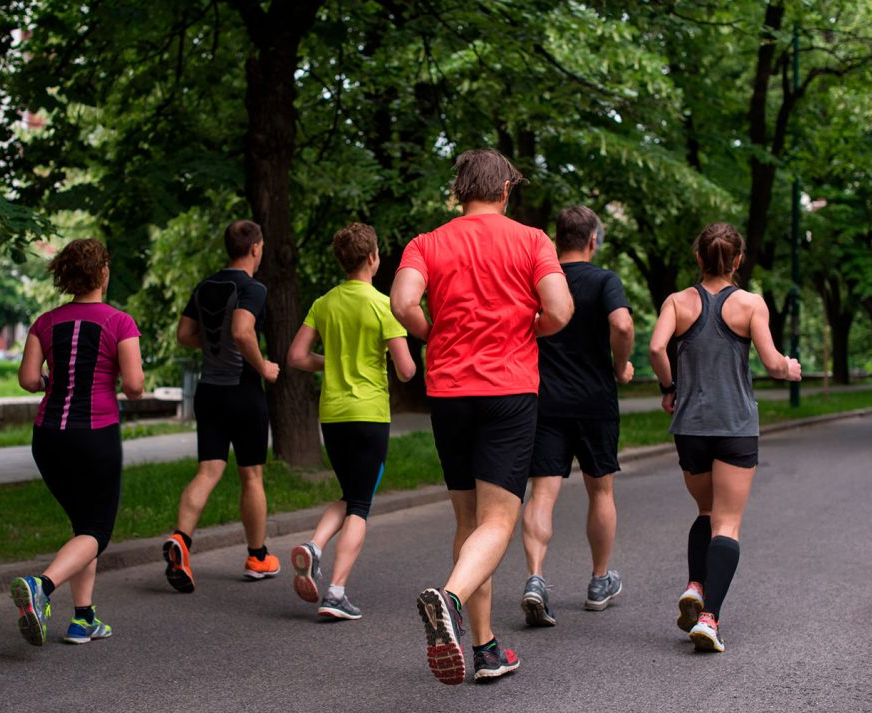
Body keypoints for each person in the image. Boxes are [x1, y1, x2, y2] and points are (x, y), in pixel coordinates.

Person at [391, 149, 574, 684]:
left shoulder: (426, 243)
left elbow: (403, 303)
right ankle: (448, 600)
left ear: (458, 192)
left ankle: (487, 648)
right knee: (498, 521)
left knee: (469, 522)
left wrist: (433, 334)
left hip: (448, 390)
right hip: (508, 389)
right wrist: (527, 330)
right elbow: (560, 310)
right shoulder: (532, 241)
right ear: (505, 191)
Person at [649, 222, 801, 653]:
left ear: (699, 257)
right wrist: (789, 367)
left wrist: (669, 388)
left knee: (706, 510)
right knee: (727, 523)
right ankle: (710, 619)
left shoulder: (677, 302)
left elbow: (657, 349)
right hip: (734, 425)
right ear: (738, 260)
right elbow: (772, 364)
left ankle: (696, 586)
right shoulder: (751, 304)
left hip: (691, 426)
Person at [12, 238, 145, 646]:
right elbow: (136, 386)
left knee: (82, 525)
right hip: (95, 435)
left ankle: (83, 619)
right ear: (103, 273)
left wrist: (56, 383)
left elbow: (29, 380)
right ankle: (42, 587)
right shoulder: (119, 323)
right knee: (97, 530)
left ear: (66, 276)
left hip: (47, 438)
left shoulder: (44, 323)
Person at [286, 223, 417, 620]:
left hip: (334, 415)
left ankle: (314, 547)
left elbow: (296, 356)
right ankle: (336, 593)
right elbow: (408, 370)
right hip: (369, 414)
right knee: (360, 504)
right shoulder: (383, 305)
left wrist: (333, 362)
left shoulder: (324, 303)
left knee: (349, 493)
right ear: (374, 258)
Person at [520, 206, 634, 626]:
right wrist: (621, 366)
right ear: (592, 241)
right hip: (594, 402)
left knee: (542, 494)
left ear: (555, 240)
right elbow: (622, 326)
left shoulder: (540, 283)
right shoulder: (604, 280)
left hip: (545, 400)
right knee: (600, 492)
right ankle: (599, 581)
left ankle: (535, 578)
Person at [163, 220, 281, 592]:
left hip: (209, 391)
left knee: (208, 471)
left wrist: (214, 349)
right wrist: (263, 367)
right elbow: (242, 331)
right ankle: (258, 556)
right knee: (251, 475)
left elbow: (184, 335)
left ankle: (181, 539)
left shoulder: (205, 285)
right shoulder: (253, 288)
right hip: (243, 393)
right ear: (256, 248)